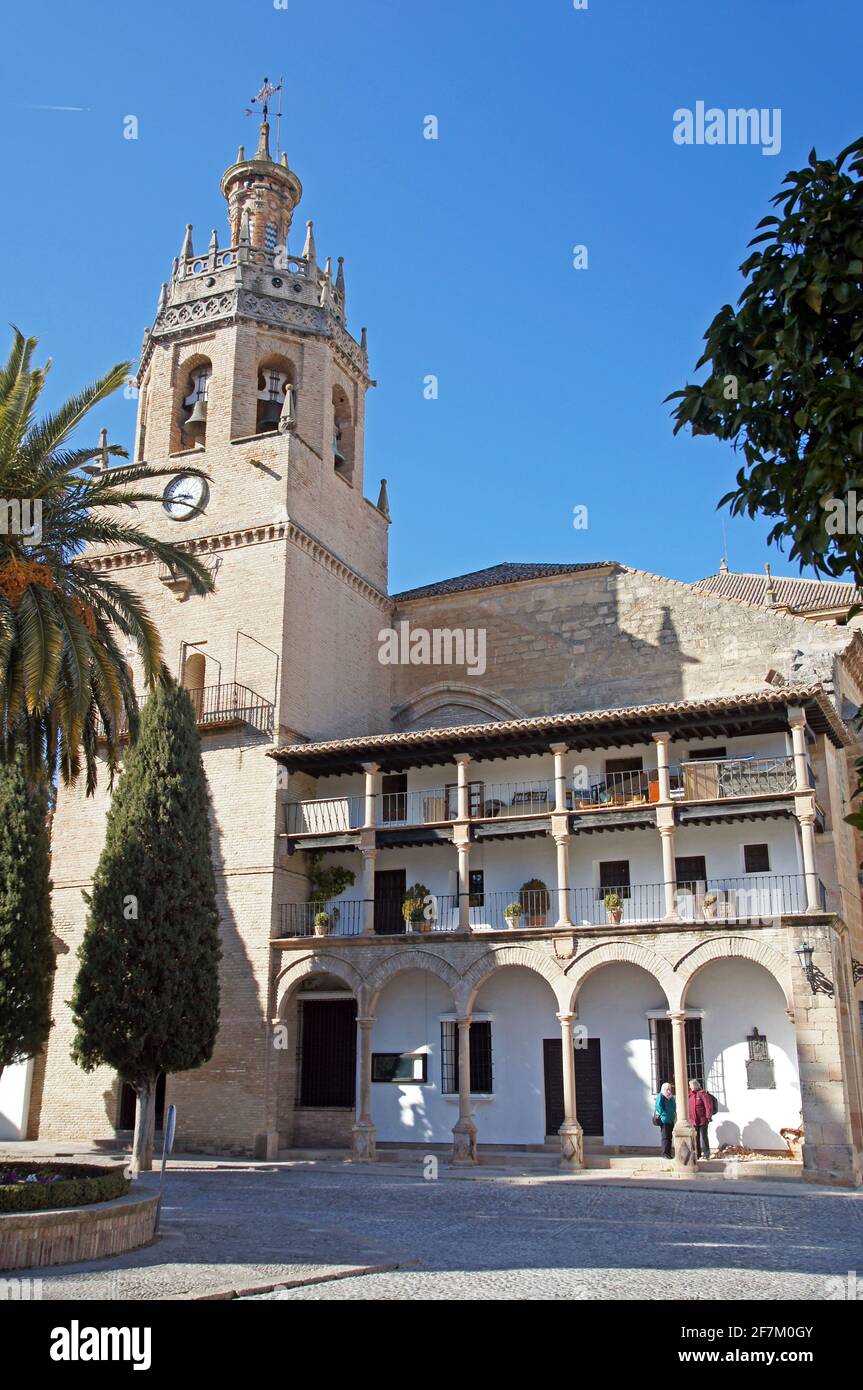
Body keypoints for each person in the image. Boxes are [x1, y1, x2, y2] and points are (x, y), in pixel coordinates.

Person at [688, 1078, 715, 1159]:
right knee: (696, 1138)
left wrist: (708, 1117)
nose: (690, 1087)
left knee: (704, 1137)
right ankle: (697, 1154)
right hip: (694, 1120)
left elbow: (708, 1106)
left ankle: (707, 1154)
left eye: (690, 1085)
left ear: (694, 1085)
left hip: (703, 1120)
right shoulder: (691, 1095)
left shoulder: (703, 1094)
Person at [654, 1081, 676, 1159]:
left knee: (669, 1138)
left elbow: (674, 1106)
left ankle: (669, 1153)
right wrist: (663, 1114)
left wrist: (673, 1114)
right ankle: (665, 1153)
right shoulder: (661, 1096)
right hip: (664, 1120)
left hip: (670, 1119)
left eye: (669, 1088)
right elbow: (658, 1106)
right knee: (665, 1137)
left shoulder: (671, 1097)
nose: (669, 1090)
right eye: (667, 1089)